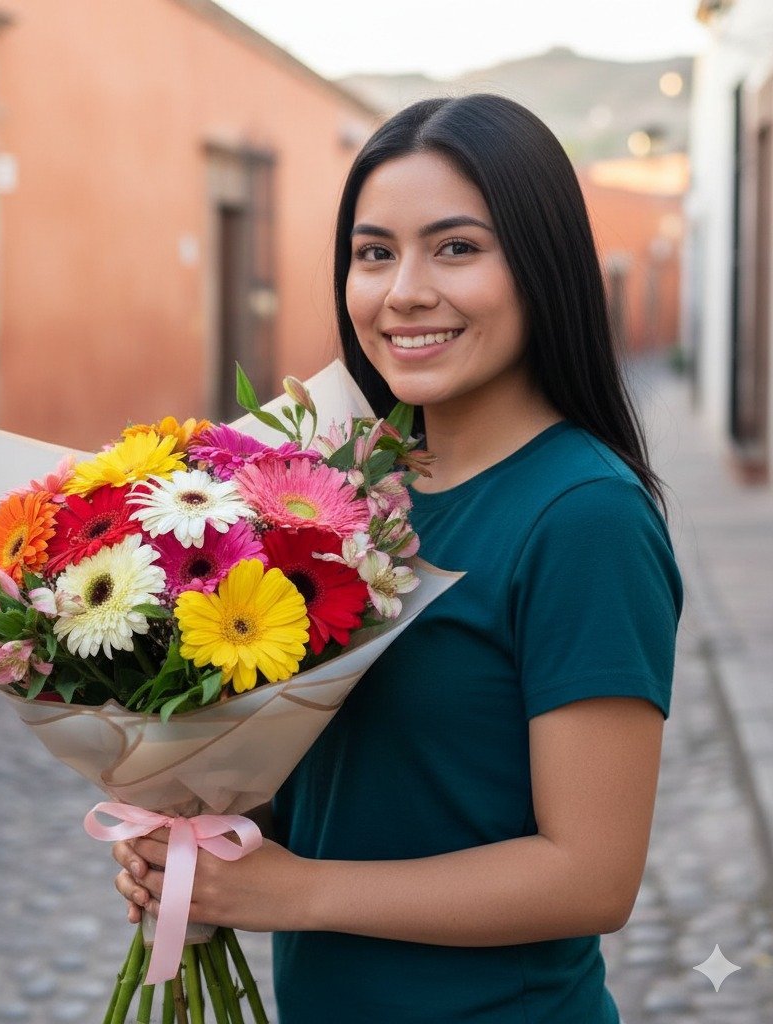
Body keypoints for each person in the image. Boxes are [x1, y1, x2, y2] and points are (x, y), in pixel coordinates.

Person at [112, 94, 682, 1022]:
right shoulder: (345, 493)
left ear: (542, 266)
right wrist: (204, 846)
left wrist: (297, 894)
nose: (403, 291)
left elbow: (590, 877)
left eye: (456, 247)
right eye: (374, 253)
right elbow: (358, 787)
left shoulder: (585, 517)